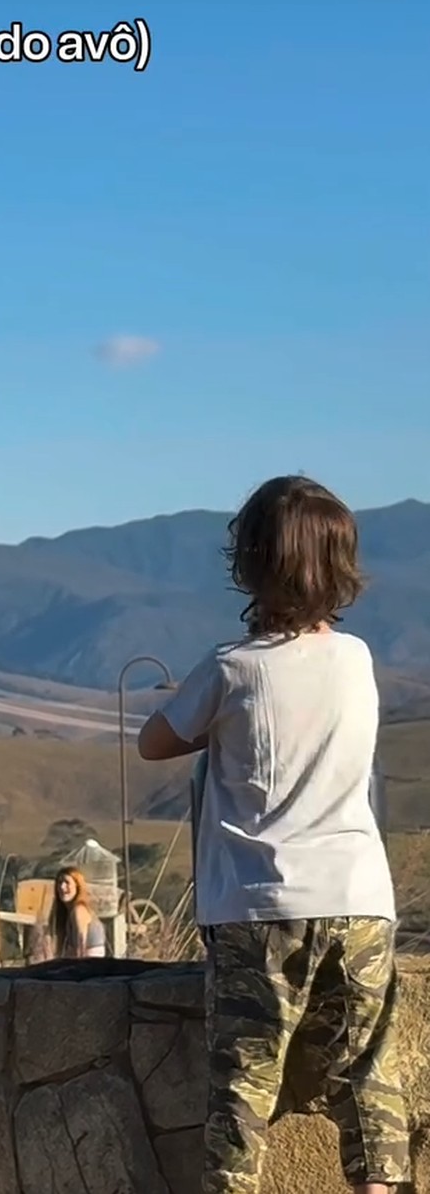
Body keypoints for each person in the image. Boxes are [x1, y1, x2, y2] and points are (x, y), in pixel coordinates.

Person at [137, 475, 408, 1194]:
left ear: (249, 564)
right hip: (359, 897)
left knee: (243, 1088)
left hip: (258, 908)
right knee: (366, 1073)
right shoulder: (358, 661)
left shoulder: (232, 669)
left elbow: (154, 743)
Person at [47, 866, 107, 958]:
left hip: (89, 964)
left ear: (77, 886)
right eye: (59, 883)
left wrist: (77, 968)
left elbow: (81, 944)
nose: (62, 887)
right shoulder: (67, 913)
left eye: (67, 883)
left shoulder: (79, 910)